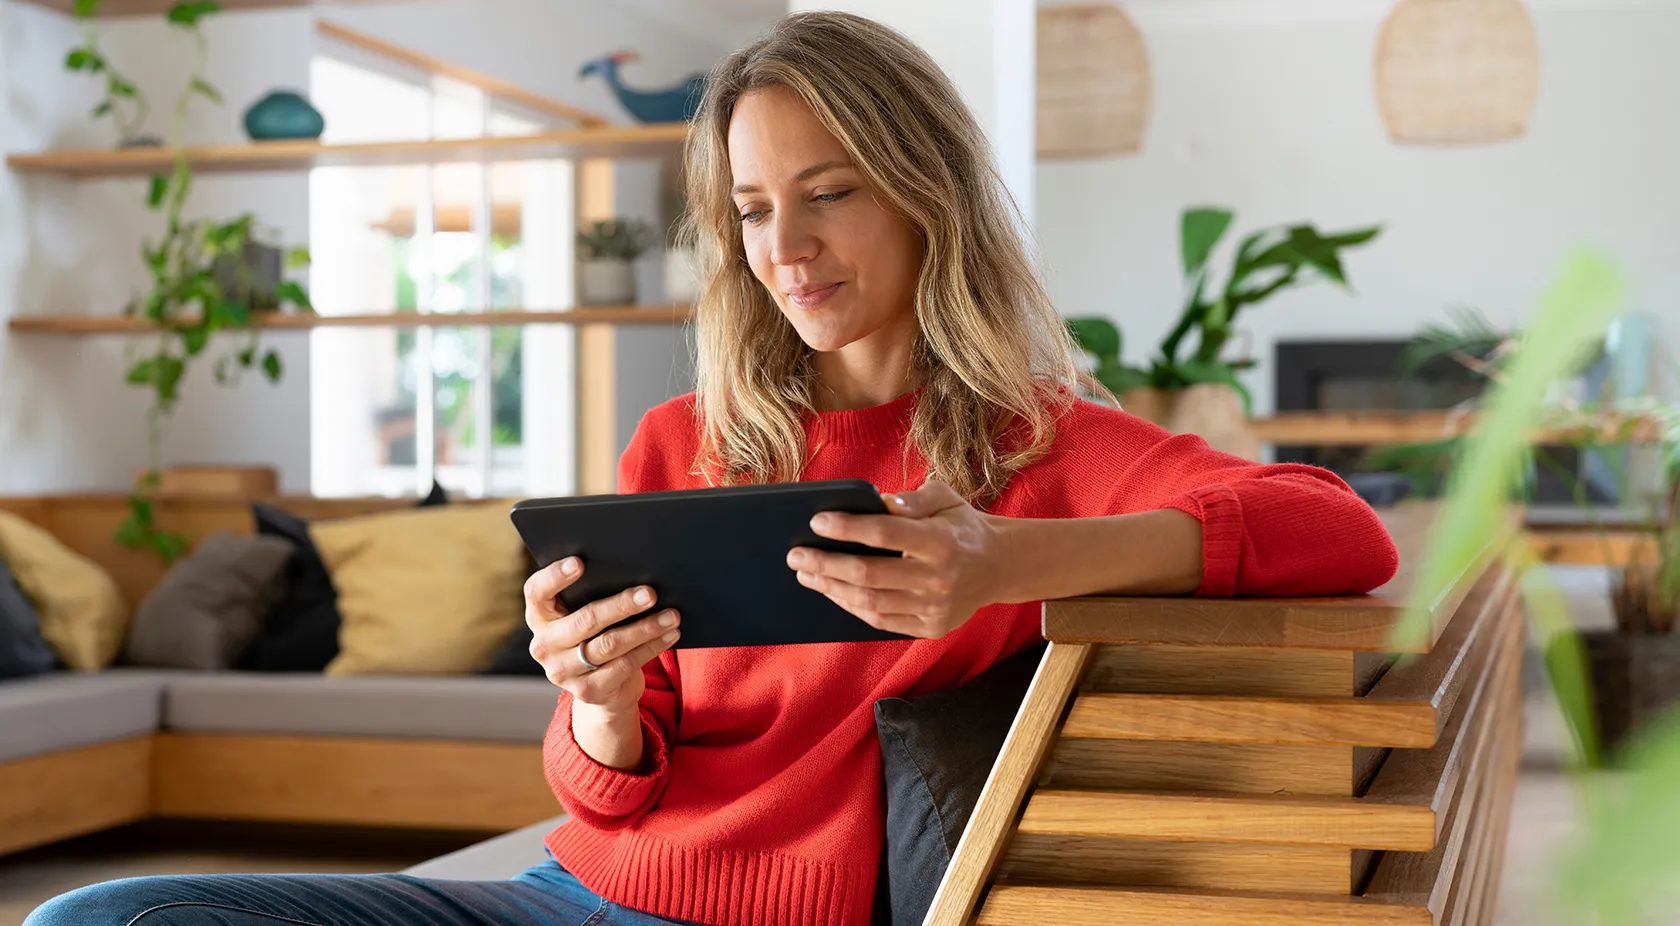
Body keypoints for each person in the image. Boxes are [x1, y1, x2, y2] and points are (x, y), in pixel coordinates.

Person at [26, 11, 1397, 926]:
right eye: (751, 209)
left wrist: (1004, 561)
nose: (784, 245)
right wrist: (601, 705)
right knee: (102, 915)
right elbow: (605, 785)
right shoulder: (682, 442)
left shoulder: (1036, 445)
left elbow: (1333, 528)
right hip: (580, 892)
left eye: (830, 191)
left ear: (928, 190)